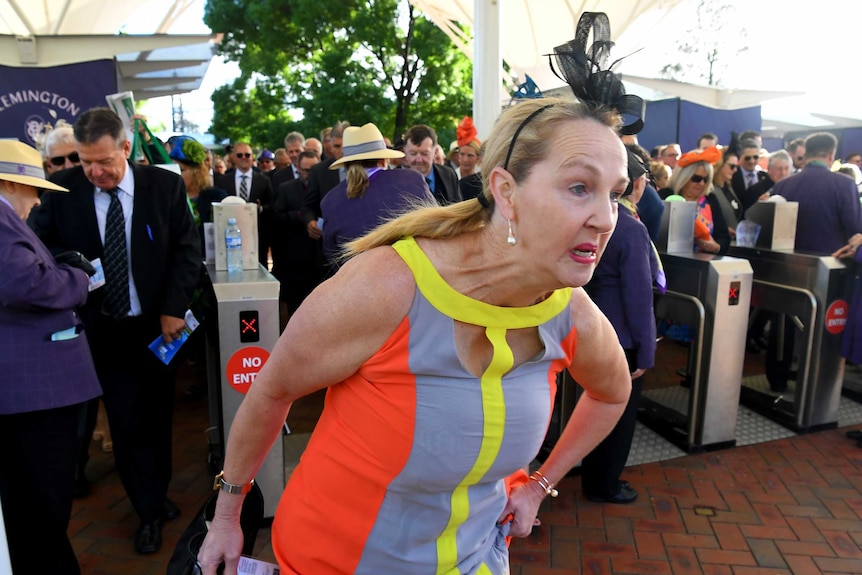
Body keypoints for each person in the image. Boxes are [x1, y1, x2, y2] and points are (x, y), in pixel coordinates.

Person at [197, 97, 633, 574]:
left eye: (615, 193)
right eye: (579, 187)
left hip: (474, 561)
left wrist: (539, 486)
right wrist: (226, 515)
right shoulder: (388, 285)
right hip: (335, 561)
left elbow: (612, 393)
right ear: (506, 192)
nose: (607, 218)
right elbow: (272, 390)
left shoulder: (569, 312)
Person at [29, 107, 201, 555]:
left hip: (158, 328)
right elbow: (39, 244)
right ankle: (146, 512)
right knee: (125, 424)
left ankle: (156, 492)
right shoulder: (64, 192)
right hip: (102, 330)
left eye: (103, 161)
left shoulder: (162, 185)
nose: (94, 171)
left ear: (126, 149)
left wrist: (173, 309)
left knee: (158, 418)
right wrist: (74, 264)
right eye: (86, 161)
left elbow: (186, 249)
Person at [0, 140, 102, 575]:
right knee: (42, 501)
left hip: (31, 389)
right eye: (32, 188)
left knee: (35, 502)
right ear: (9, 182)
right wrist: (76, 278)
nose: (38, 199)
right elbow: (23, 284)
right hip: (35, 394)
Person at [581, 149, 659, 505]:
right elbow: (639, 296)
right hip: (620, 337)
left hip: (585, 327)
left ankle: (583, 468)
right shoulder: (631, 229)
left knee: (585, 404)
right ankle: (605, 483)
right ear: (638, 185)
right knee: (617, 413)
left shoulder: (587, 217)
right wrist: (647, 348)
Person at [320, 123, 433, 266]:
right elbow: (434, 228)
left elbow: (332, 256)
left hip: (360, 283)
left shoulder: (330, 201)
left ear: (346, 165)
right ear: (383, 159)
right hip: (416, 275)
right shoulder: (411, 180)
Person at [660, 147, 730, 255]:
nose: (701, 183)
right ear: (683, 176)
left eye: (705, 179)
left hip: (702, 263)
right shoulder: (666, 195)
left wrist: (716, 247)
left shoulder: (710, 199)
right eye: (696, 178)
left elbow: (724, 236)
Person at [711, 148, 743, 236]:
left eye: (736, 167)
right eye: (732, 166)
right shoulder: (711, 189)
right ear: (720, 165)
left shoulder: (729, 188)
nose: (735, 170)